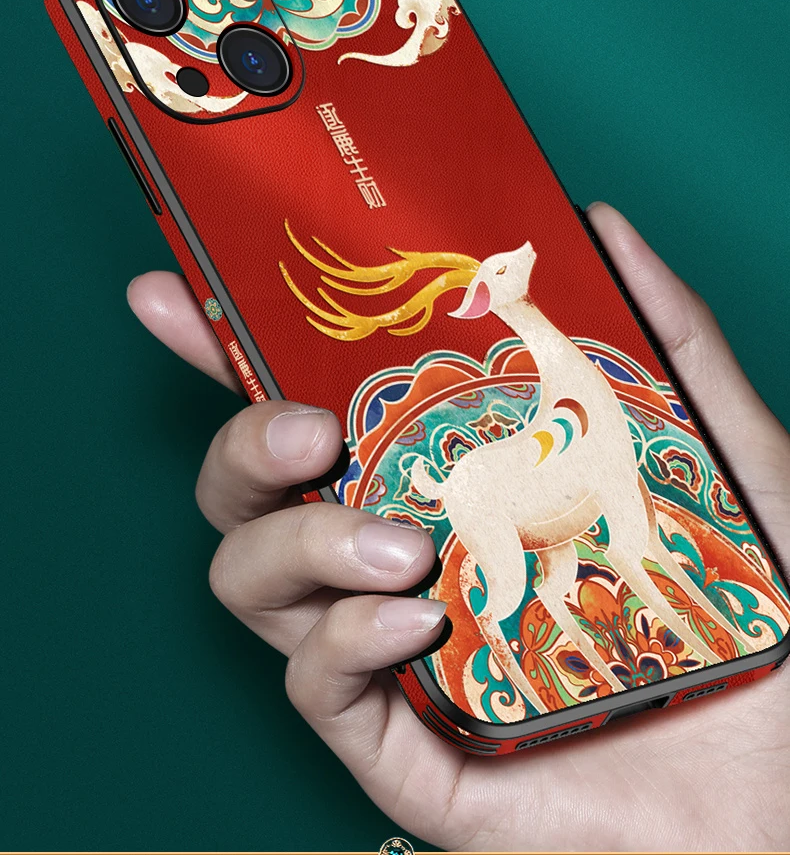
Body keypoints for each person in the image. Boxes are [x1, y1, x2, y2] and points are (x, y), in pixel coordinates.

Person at [127, 203, 790, 853]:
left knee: (617, 556)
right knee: (511, 596)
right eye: (501, 270)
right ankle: (524, 679)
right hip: (490, 493)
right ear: (485, 300)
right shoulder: (493, 456)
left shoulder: (574, 385)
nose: (520, 257)